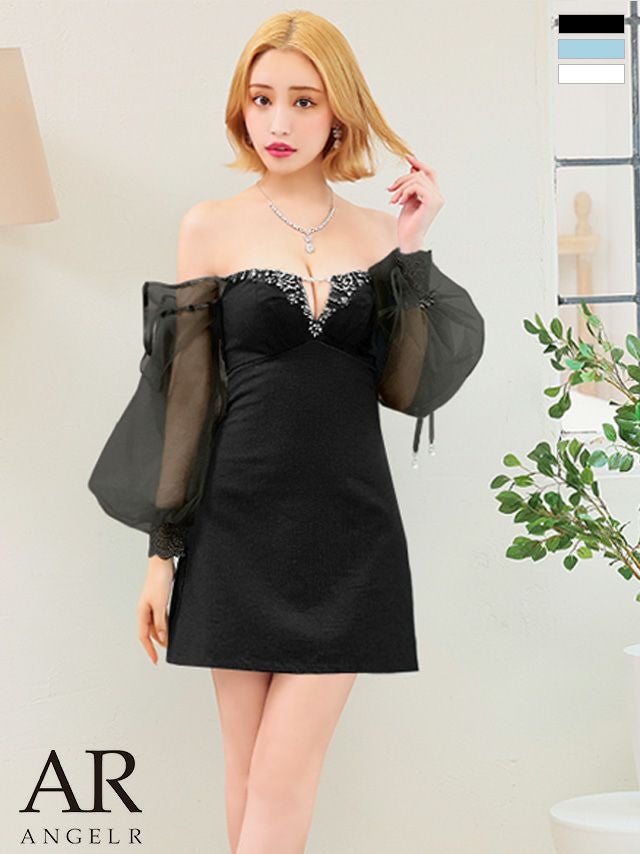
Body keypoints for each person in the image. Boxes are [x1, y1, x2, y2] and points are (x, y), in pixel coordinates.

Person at [88, 10, 485, 853]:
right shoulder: (210, 225)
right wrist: (162, 555)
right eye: (262, 98)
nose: (279, 121)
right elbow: (185, 396)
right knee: (246, 775)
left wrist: (413, 246)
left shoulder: (378, 235)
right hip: (235, 525)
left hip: (350, 531)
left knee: (280, 779)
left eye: (304, 101)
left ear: (338, 110)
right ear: (242, 106)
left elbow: (407, 387)